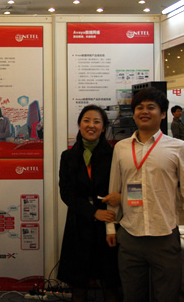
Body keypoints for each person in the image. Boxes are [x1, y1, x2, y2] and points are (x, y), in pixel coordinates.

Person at [103, 87, 184, 302]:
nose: (144, 112)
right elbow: (114, 190)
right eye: (139, 108)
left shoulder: (177, 147)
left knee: (167, 296)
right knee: (132, 296)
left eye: (151, 107)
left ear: (163, 113)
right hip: (130, 235)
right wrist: (110, 226)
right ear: (134, 113)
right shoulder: (121, 147)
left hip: (164, 236)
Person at [57, 105, 120, 302]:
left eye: (96, 122)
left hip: (107, 225)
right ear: (79, 125)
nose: (91, 125)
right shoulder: (68, 156)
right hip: (79, 224)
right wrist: (93, 212)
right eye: (86, 120)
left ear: (103, 128)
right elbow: (66, 193)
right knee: (79, 285)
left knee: (110, 283)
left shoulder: (114, 155)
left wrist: (108, 208)